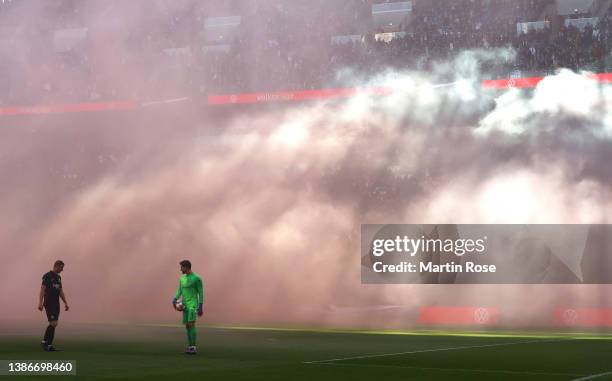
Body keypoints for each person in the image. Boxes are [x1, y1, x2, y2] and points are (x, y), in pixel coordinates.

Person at [172, 260, 204, 355]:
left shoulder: (197, 278)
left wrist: (201, 305)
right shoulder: (182, 279)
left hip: (193, 305)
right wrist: (174, 299)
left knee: (191, 324)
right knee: (187, 326)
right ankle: (190, 346)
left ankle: (193, 347)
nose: (180, 269)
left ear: (186, 267)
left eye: (181, 267)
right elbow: (179, 291)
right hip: (184, 305)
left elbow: (201, 292)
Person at [38, 260, 69, 351]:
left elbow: (60, 291)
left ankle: (47, 343)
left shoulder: (58, 278)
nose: (62, 270)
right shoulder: (47, 276)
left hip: (56, 303)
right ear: (57, 266)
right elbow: (42, 290)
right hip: (49, 303)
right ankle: (47, 344)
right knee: (54, 323)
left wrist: (65, 302)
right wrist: (40, 303)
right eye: (61, 267)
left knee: (54, 324)